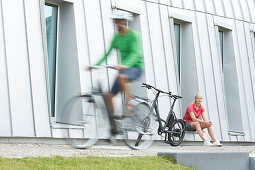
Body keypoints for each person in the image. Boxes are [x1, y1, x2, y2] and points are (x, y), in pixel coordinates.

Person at [91, 10, 144, 115]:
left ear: (124, 22)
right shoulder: (116, 37)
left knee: (121, 77)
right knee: (108, 95)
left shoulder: (133, 35)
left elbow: (135, 53)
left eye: (118, 21)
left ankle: (129, 104)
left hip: (136, 67)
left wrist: (125, 65)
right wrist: (95, 65)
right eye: (114, 21)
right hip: (124, 69)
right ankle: (115, 125)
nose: (116, 24)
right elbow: (107, 53)